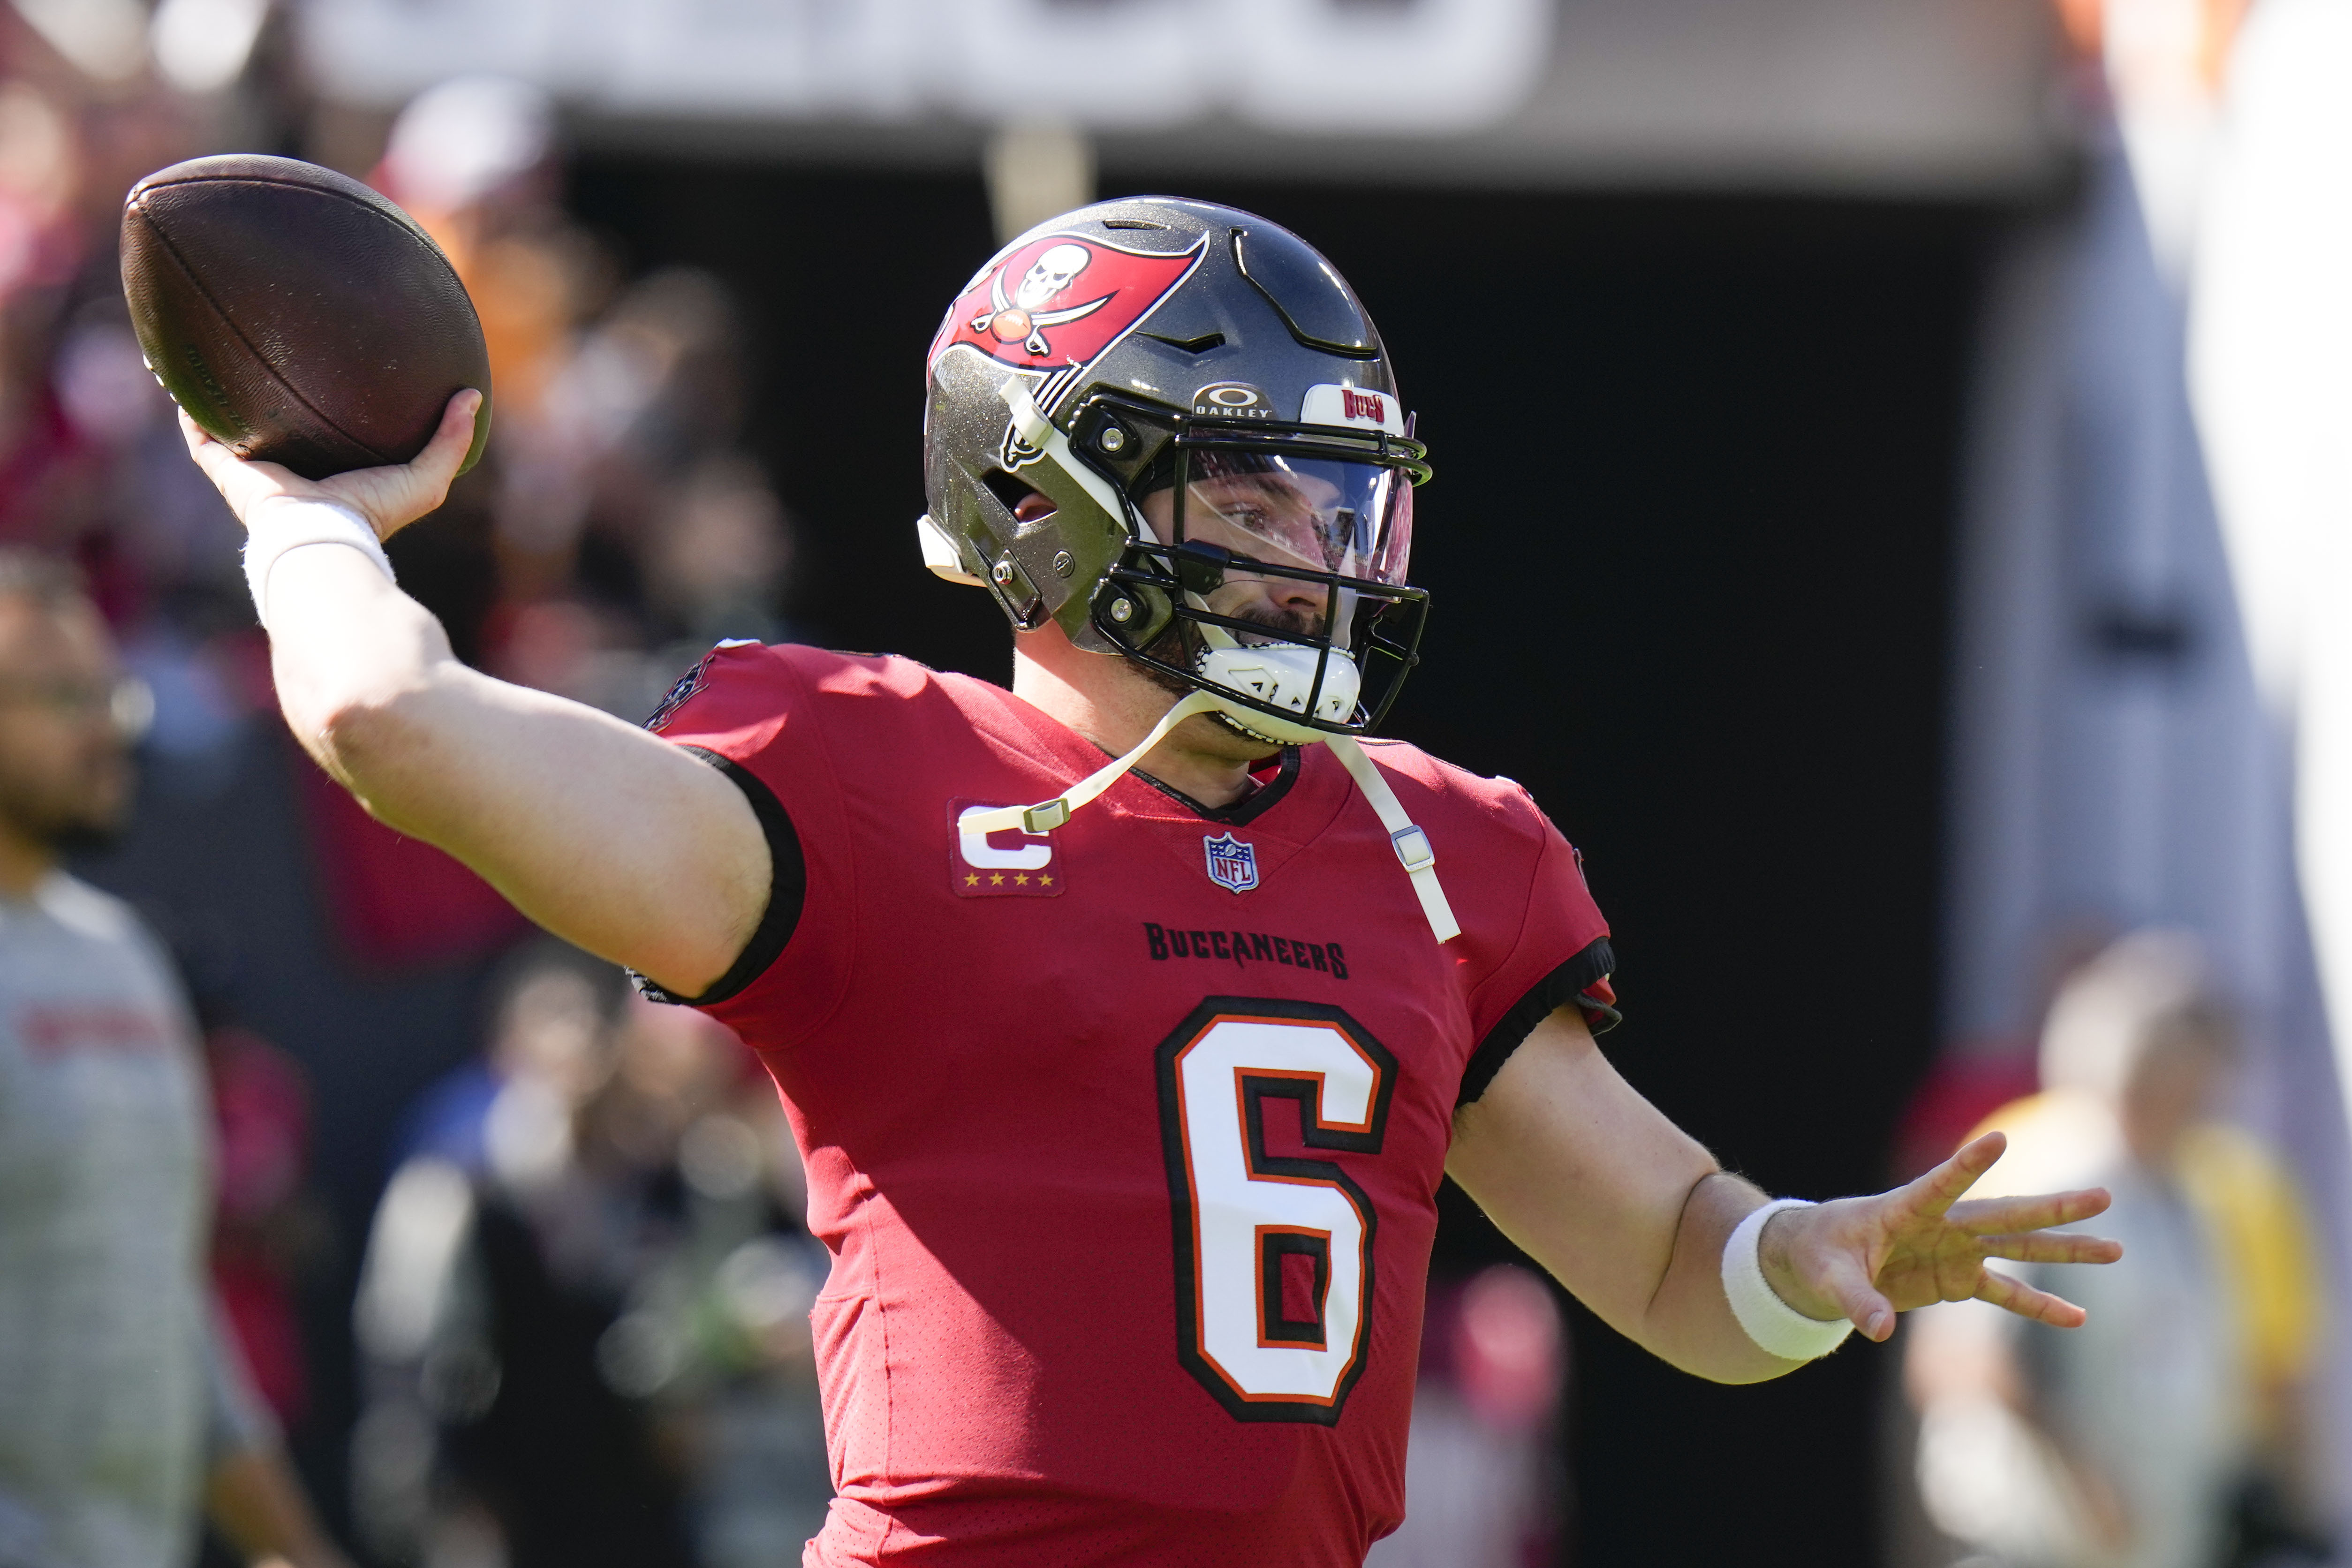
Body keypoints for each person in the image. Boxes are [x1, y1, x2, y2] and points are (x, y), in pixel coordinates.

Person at [184, 197, 2120, 1566]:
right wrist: (301, 524)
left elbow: (1669, 1249)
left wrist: (1804, 1260)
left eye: (1335, 494)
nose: (1314, 547)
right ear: (1055, 498)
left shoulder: (1443, 845)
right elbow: (389, 721)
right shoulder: (869, 776)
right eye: (1252, 491)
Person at [0, 552, 348, 1568]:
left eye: (109, 689)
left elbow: (164, 1293)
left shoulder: (126, 960)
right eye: (61, 694)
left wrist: (298, 1550)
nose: (108, 725)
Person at [1906, 931, 2331, 1568]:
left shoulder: (2183, 1186)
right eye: (2189, 1078)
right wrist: (2084, 1478)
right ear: (2141, 1074)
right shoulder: (2042, 1174)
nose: (2204, 1101)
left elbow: (2255, 1369)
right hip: (2038, 1541)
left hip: (2152, 1541)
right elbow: (1963, 1358)